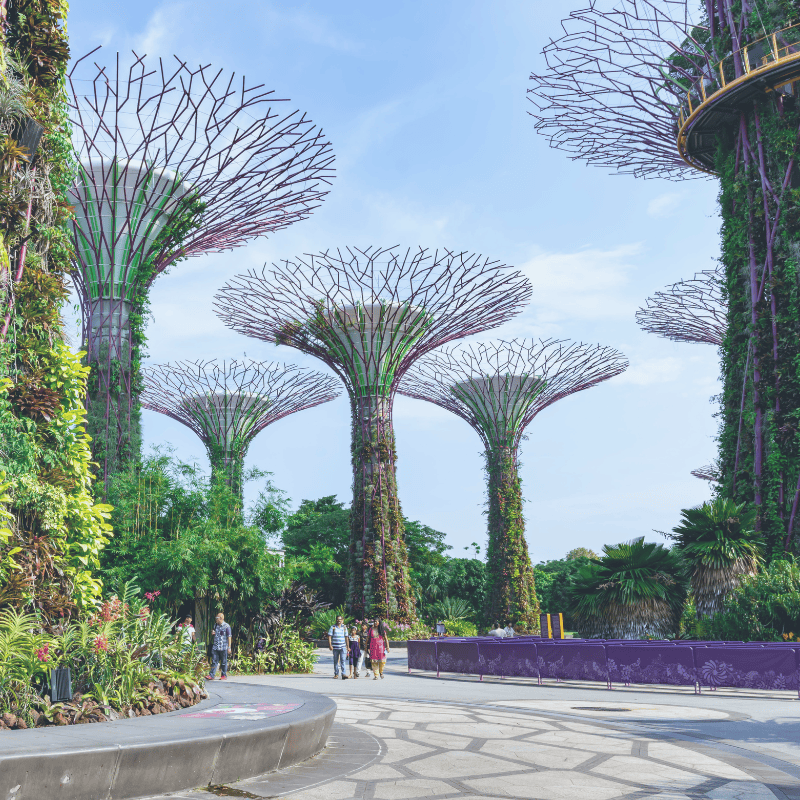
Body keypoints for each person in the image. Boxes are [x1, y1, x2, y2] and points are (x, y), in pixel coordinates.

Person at [206, 613, 232, 680]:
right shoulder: (215, 625)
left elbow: (229, 637)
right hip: (216, 647)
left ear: (221, 618)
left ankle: (224, 675)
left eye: (216, 618)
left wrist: (229, 647)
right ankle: (211, 675)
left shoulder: (227, 626)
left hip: (223, 647)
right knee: (214, 661)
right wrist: (213, 633)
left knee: (223, 662)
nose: (216, 619)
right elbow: (214, 632)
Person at [327, 614, 349, 680]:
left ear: (342, 620)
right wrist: (330, 645)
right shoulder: (333, 627)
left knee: (343, 660)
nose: (338, 621)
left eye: (340, 619)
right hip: (335, 647)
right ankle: (336, 674)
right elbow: (329, 636)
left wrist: (348, 646)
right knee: (336, 661)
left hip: (342, 646)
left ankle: (343, 674)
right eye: (337, 619)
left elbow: (346, 637)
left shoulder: (344, 627)